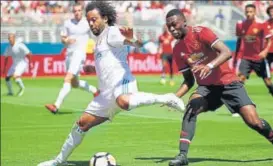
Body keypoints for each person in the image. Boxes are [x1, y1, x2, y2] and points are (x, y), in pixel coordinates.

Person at [37, 2, 185, 166]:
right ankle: (59, 161)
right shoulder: (98, 40)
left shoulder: (112, 32)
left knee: (123, 101)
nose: (91, 23)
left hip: (122, 84)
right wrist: (93, 68)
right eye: (89, 20)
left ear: (105, 18)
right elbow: (108, 64)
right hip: (106, 94)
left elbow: (137, 44)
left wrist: (132, 38)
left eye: (94, 19)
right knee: (82, 123)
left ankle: (167, 98)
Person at [165, 9, 273, 166]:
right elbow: (189, 81)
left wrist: (209, 66)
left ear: (184, 21)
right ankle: (182, 155)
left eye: (174, 24)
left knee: (254, 122)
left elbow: (226, 52)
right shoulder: (177, 49)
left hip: (229, 83)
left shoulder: (201, 32)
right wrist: (174, 97)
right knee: (191, 107)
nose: (172, 29)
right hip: (207, 88)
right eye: (169, 27)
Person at [45, 3, 99, 114]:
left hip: (79, 54)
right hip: (69, 54)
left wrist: (96, 46)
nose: (77, 12)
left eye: (79, 10)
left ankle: (56, 105)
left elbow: (96, 37)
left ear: (82, 11)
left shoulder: (88, 23)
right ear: (73, 12)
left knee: (68, 78)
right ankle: (95, 91)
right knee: (74, 83)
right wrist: (66, 41)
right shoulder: (68, 23)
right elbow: (63, 38)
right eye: (75, 11)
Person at [234, 4, 273, 97]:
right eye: (247, 12)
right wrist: (237, 55)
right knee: (240, 79)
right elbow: (239, 40)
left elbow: (269, 40)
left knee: (267, 81)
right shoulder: (240, 24)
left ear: (255, 12)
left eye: (251, 12)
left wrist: (265, 51)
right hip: (246, 58)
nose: (248, 14)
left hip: (259, 58)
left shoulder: (261, 24)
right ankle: (238, 104)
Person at [3, 32, 32, 97]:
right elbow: (6, 58)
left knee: (15, 76)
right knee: (7, 78)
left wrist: (30, 64)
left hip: (22, 63)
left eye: (11, 38)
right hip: (15, 64)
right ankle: (10, 92)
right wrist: (4, 68)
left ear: (14, 38)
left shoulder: (20, 45)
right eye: (9, 38)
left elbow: (29, 53)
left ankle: (22, 88)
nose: (10, 39)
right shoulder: (8, 47)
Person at [264, 5, 273, 77]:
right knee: (267, 71)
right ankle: (270, 86)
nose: (272, 13)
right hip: (268, 50)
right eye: (271, 11)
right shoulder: (266, 23)